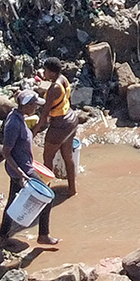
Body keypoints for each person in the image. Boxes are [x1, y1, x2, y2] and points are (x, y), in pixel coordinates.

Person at [0, 91, 58, 250]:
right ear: (27, 106)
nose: (36, 108)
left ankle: (2, 236)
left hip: (24, 166)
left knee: (13, 201)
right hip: (21, 170)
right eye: (35, 105)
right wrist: (22, 175)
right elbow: (6, 152)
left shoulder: (17, 116)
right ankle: (43, 235)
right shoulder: (14, 125)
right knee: (47, 197)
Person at [36, 57, 80, 196]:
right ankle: (72, 190)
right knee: (68, 156)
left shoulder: (54, 88)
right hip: (71, 120)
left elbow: (44, 115)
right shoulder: (63, 79)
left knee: (47, 158)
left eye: (46, 70)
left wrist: (34, 131)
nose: (44, 72)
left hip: (59, 126)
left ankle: (45, 193)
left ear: (52, 73)